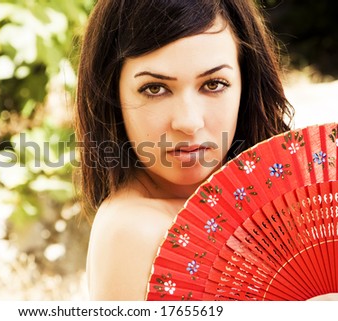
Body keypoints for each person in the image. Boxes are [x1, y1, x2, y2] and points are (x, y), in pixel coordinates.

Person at [74, 0, 293, 300]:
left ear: (247, 83)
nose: (189, 122)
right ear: (112, 94)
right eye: (155, 88)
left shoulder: (271, 199)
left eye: (213, 84)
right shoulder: (135, 233)